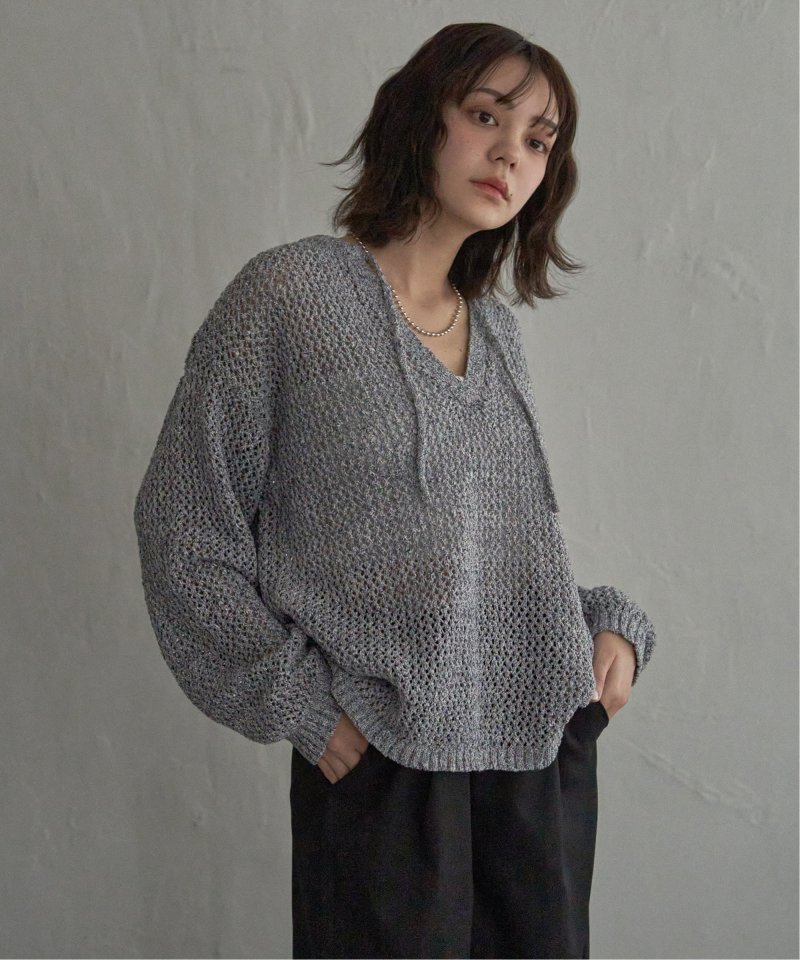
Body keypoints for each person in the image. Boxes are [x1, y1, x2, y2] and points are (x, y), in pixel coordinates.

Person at [133, 21, 657, 960]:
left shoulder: (496, 334)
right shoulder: (291, 296)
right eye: (486, 116)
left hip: (534, 780)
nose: (511, 153)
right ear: (422, 118)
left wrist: (606, 625)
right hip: (386, 771)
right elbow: (184, 527)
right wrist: (300, 704)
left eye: (538, 139)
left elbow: (480, 572)